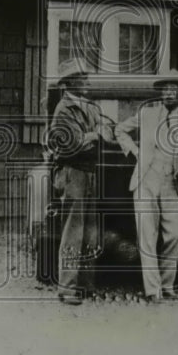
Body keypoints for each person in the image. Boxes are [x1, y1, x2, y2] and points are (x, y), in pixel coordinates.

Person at [115, 70, 178, 303]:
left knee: (175, 234)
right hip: (145, 180)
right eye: (165, 89)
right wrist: (135, 151)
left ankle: (167, 284)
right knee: (147, 236)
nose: (169, 93)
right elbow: (120, 130)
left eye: (174, 89)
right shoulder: (148, 114)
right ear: (161, 93)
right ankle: (153, 291)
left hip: (171, 183)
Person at [46, 58, 114, 305]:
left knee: (90, 232)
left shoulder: (89, 106)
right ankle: (66, 288)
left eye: (86, 76)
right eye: (82, 77)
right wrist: (95, 135)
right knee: (73, 231)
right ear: (70, 83)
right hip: (73, 173)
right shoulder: (63, 110)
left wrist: (96, 135)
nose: (87, 80)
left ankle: (85, 285)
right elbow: (72, 144)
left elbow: (106, 131)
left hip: (90, 172)